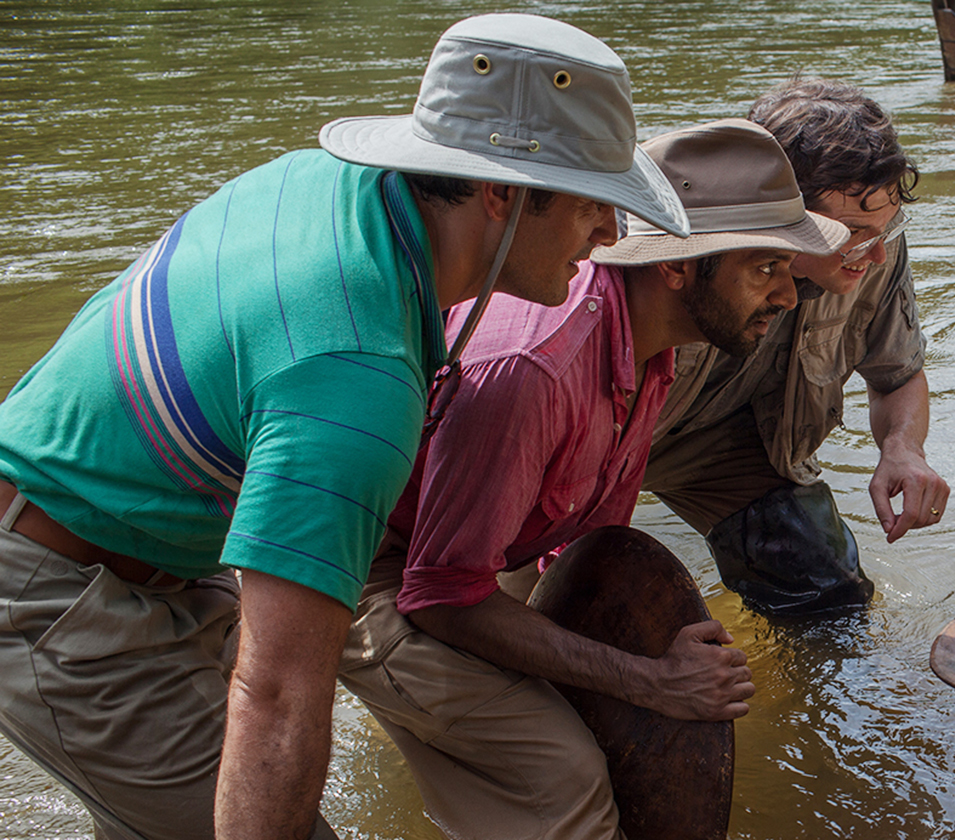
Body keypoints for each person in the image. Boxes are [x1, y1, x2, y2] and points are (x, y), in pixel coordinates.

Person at [0, 14, 687, 840]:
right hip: (60, 587)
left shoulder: (319, 183)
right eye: (592, 203)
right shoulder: (356, 377)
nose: (612, 236)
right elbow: (279, 698)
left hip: (151, 547)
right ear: (501, 194)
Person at [335, 118, 848, 839]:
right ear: (675, 266)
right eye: (765, 268)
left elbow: (590, 546)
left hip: (470, 546)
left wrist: (618, 666)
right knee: (563, 780)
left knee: (587, 727)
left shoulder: (653, 342)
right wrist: (648, 681)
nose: (789, 297)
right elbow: (441, 595)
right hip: (367, 572)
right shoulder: (534, 368)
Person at [642, 79, 949, 614]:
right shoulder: (690, 258)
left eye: (886, 228)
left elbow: (897, 375)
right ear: (783, 210)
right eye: (852, 233)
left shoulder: (875, 252)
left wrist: (903, 448)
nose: (873, 255)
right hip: (613, 434)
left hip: (733, 446)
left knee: (828, 588)